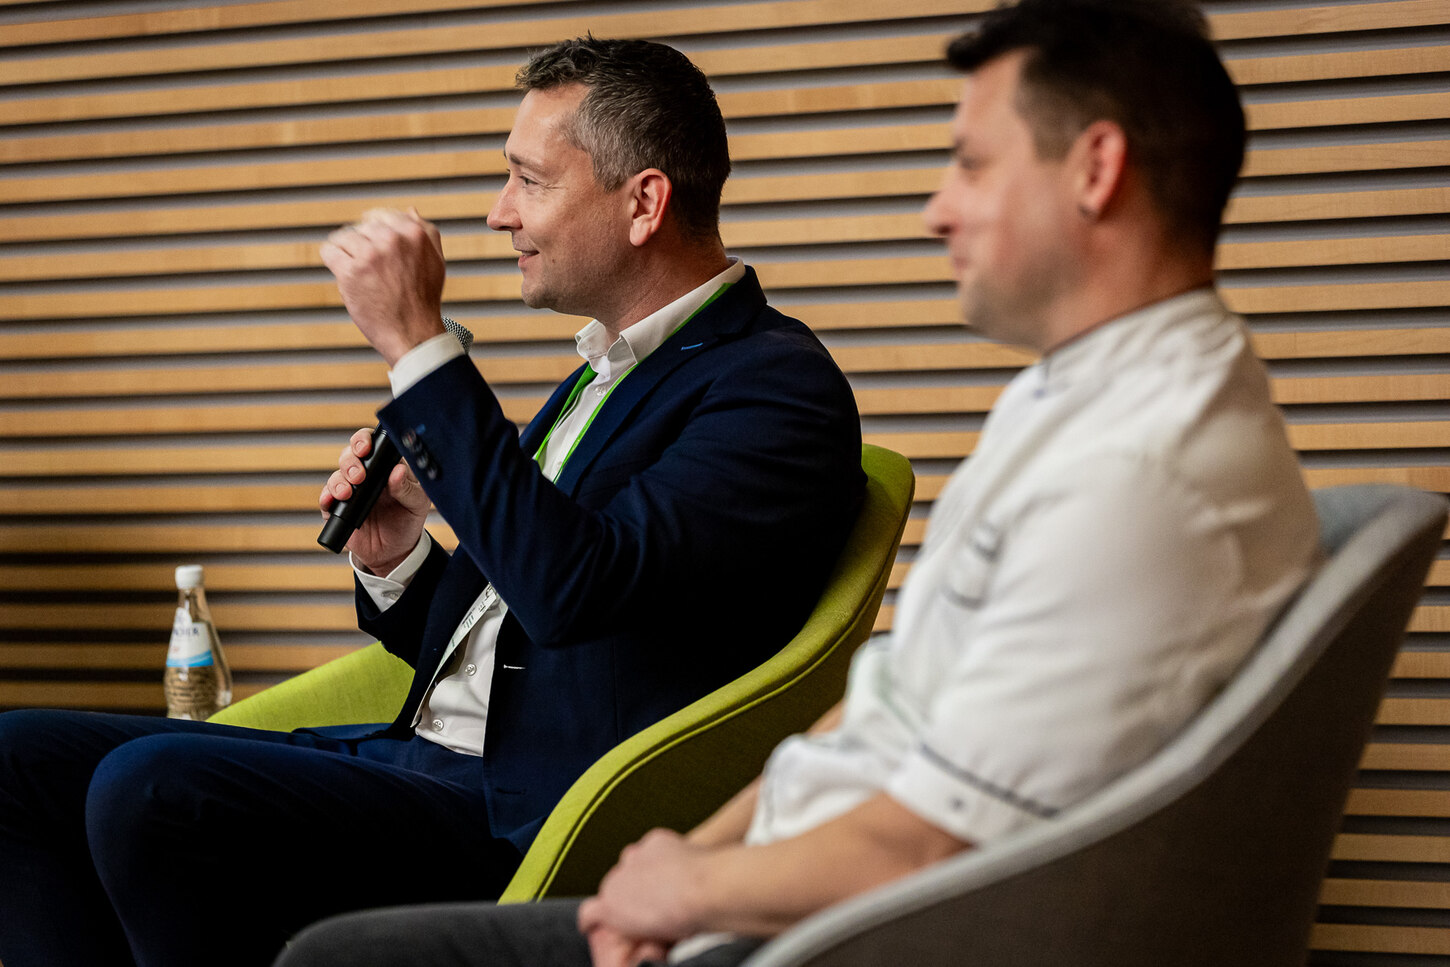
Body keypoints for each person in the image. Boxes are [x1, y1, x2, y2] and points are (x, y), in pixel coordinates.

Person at [270, 2, 1322, 966]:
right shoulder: (1071, 406)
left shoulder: (1133, 473)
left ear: (1094, 170)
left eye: (970, 162)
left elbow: (931, 846)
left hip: (825, 928)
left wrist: (686, 886)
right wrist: (688, 852)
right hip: (748, 879)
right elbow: (883, 713)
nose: (936, 210)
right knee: (127, 784)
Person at [0, 38, 864, 967]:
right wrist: (401, 555)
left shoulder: (773, 388)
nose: (500, 215)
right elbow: (519, 635)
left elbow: (577, 592)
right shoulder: (600, 375)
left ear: (644, 202)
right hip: (419, 761)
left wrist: (418, 347)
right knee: (16, 756)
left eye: (529, 181)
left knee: (152, 785)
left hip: (526, 811)